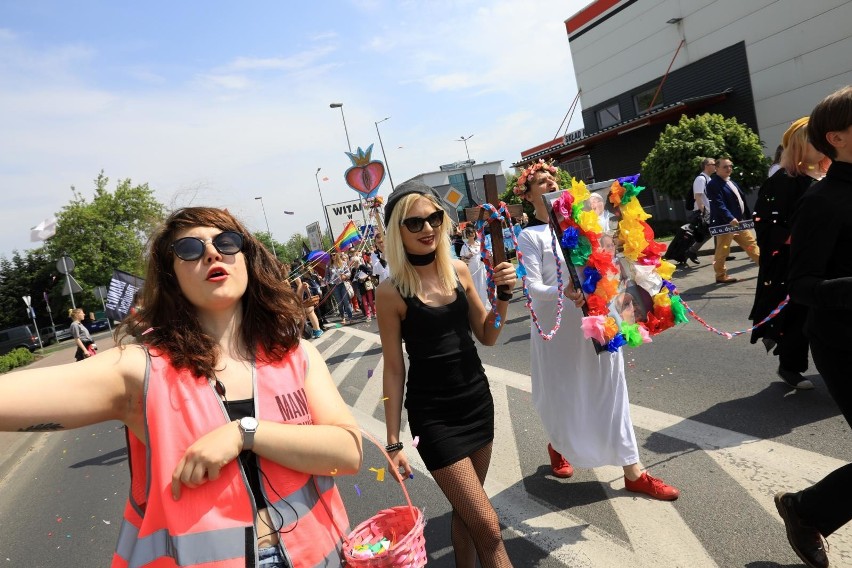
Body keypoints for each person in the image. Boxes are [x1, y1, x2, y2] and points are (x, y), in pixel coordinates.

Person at [0, 207, 362, 568]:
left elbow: (348, 453)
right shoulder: (142, 369)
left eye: (226, 241)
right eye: (189, 249)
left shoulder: (297, 355)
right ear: (170, 277)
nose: (212, 252)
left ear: (247, 260)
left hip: (321, 557)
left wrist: (244, 433)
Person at [515, 160, 680, 500]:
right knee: (564, 391)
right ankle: (559, 444)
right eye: (541, 181)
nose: (549, 183)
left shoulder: (588, 220)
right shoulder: (530, 236)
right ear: (528, 195)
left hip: (598, 320)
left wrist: (633, 295)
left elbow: (611, 268)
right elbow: (532, 286)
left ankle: (633, 471)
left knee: (611, 388)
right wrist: (564, 292)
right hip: (558, 326)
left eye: (552, 179)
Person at [376, 180, 518, 568]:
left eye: (434, 218)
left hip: (477, 402)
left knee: (467, 512)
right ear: (396, 231)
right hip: (434, 417)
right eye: (415, 222)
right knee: (488, 525)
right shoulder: (389, 292)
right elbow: (392, 368)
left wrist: (503, 298)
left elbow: (488, 335)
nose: (427, 228)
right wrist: (392, 441)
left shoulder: (457, 270)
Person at [775, 85, 852, 568]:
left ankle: (805, 510)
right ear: (837, 138)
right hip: (844, 345)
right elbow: (800, 284)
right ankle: (804, 510)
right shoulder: (822, 201)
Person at [749, 117, 830, 390]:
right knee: (798, 317)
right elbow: (767, 224)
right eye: (812, 138)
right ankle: (790, 366)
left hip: (832, 259)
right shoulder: (784, 181)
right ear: (798, 145)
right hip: (796, 263)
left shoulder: (829, 176)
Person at [706, 157, 761, 284]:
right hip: (726, 223)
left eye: (730, 166)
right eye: (725, 167)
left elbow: (740, 201)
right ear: (716, 168)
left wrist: (747, 216)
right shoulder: (713, 184)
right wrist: (730, 217)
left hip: (739, 222)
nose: (729, 169)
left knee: (751, 245)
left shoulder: (731, 182)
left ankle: (767, 268)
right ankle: (720, 275)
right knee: (723, 250)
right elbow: (718, 203)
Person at [686, 157, 716, 264]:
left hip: (710, 211)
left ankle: (721, 254)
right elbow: (697, 196)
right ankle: (692, 251)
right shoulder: (701, 179)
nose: (715, 165)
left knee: (716, 231)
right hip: (703, 212)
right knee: (709, 233)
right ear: (707, 166)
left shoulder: (709, 179)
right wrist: (704, 212)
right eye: (713, 164)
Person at [459, 225, 491, 311]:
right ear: (467, 235)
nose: (471, 235)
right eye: (469, 233)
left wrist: (488, 255)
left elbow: (485, 255)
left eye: (472, 233)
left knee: (483, 286)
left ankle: (485, 306)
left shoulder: (479, 244)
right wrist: (468, 257)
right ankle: (477, 307)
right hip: (472, 269)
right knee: (475, 287)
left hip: (481, 268)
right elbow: (462, 260)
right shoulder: (465, 246)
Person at [326, 252, 353, 324]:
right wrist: (327, 282)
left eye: (334, 254)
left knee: (346, 302)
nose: (332, 256)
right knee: (339, 303)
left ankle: (350, 317)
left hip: (343, 284)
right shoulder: (329, 265)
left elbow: (349, 273)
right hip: (334, 285)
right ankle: (343, 318)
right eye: (331, 255)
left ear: (337, 255)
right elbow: (327, 275)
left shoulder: (343, 263)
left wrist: (345, 276)